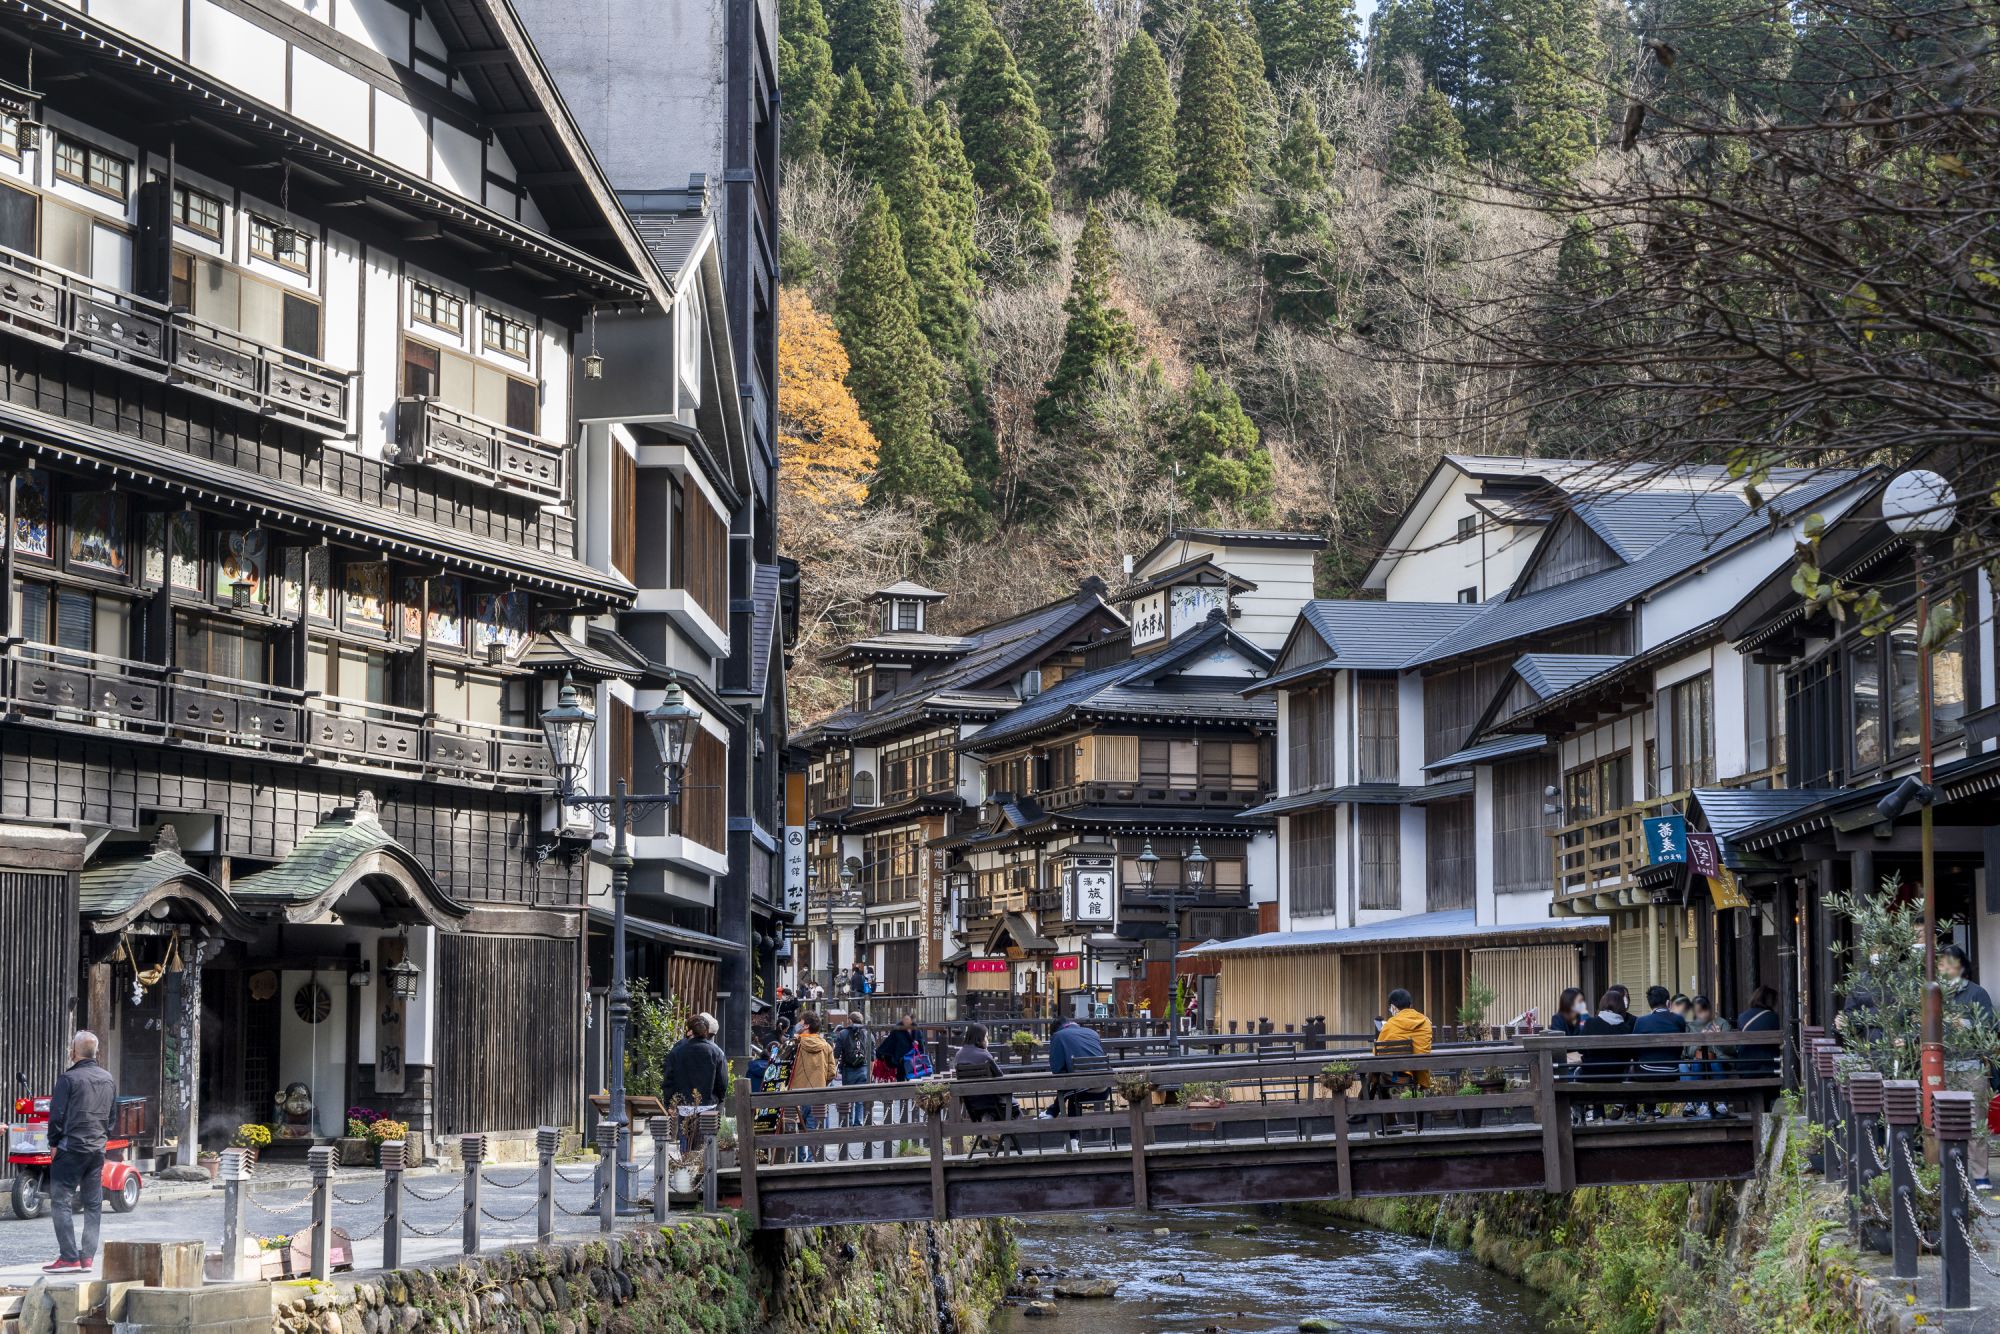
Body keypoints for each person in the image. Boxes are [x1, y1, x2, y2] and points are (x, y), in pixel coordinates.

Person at [44, 1031, 115, 1274]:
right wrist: (102, 1139)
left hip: (71, 1148)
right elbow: (112, 1118)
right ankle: (87, 1258)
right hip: (97, 1149)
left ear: (74, 1052)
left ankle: (69, 1257)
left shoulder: (68, 1079)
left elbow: (57, 1116)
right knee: (93, 1203)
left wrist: (53, 1142)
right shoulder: (108, 1079)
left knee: (61, 1200)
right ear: (97, 1052)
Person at [1939, 944, 1995, 1184]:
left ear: (1962, 966)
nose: (1946, 968)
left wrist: (1965, 1024)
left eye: (1951, 963)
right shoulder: (1933, 993)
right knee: (1945, 1122)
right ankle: (1951, 1173)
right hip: (1942, 1066)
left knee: (1976, 1122)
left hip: (1971, 1065)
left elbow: (1990, 1029)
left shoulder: (1977, 993)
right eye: (1942, 964)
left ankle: (1980, 1174)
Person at [1631, 985, 1689, 1118]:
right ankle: (1648, 1111)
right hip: (1672, 1071)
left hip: (1647, 1071)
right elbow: (1679, 1047)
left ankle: (1635, 1112)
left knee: (1631, 1068)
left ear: (1650, 1004)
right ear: (1668, 1003)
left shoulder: (1641, 1021)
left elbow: (1634, 1050)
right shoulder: (1679, 1020)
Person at [1580, 991, 1638, 1120]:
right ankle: (1631, 1113)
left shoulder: (1590, 1023)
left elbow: (1580, 1049)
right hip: (1618, 1075)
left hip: (1591, 1075)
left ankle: (1598, 1115)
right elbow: (1630, 1054)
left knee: (1583, 1072)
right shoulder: (1625, 1027)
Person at [789, 1013, 838, 1158]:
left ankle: (798, 1160)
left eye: (800, 1022)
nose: (798, 1024)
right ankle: (812, 1161)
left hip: (795, 1094)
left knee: (795, 1130)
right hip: (818, 1093)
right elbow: (832, 1072)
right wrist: (822, 1081)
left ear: (806, 1026)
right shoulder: (826, 1046)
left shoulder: (794, 1044)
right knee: (813, 1130)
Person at [950, 1024, 1011, 1126]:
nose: (987, 1040)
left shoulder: (958, 1055)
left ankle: (988, 1138)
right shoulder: (984, 1054)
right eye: (986, 1037)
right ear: (979, 1038)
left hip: (971, 1104)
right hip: (993, 1103)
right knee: (1014, 1107)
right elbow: (1000, 1076)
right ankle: (1015, 1139)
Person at [1685, 996, 1733, 1118]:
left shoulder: (1722, 1023)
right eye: (1698, 1011)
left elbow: (1732, 1049)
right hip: (1699, 1060)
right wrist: (1699, 1041)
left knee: (1714, 1063)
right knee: (1697, 1063)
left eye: (1704, 1010)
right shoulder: (1691, 1027)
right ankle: (1700, 1104)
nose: (1702, 1014)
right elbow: (1687, 1052)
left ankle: (1722, 1102)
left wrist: (1718, 1038)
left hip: (1721, 1060)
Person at [1376, 988, 1434, 1089]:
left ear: (1393, 1007)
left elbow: (1377, 1051)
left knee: (1374, 1075)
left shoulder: (1390, 1024)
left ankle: (1368, 1100)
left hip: (1394, 1077)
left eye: (1390, 1008)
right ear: (1410, 1005)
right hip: (1417, 1075)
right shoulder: (1425, 1022)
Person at [833, 1009, 874, 1137]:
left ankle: (848, 1121)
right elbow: (872, 1056)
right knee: (860, 1098)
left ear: (850, 1021)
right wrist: (870, 1072)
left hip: (848, 1069)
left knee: (848, 1096)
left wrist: (834, 1069)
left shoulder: (842, 1034)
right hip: (864, 1068)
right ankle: (858, 1122)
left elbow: (836, 1054)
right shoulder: (869, 1034)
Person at [1735, 985, 1781, 1080]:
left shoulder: (1742, 1016)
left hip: (1744, 1067)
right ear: (1771, 1001)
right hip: (1768, 1067)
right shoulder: (1773, 1018)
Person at [875, 1014, 926, 1081]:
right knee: (901, 1076)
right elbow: (889, 1042)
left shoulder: (916, 1029)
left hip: (914, 1058)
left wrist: (918, 1044)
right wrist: (881, 1053)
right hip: (902, 1058)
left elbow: (921, 1042)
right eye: (904, 1020)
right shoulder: (898, 1030)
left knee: (914, 1077)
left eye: (908, 1019)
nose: (906, 1021)